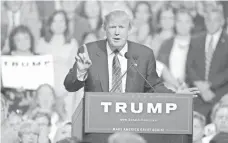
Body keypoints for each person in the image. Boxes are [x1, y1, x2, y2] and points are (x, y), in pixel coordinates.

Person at [64, 10, 198, 143]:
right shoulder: (89, 51)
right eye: (112, 27)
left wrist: (176, 96)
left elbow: (153, 86)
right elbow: (69, 85)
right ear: (105, 28)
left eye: (121, 27)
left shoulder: (143, 54)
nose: (117, 32)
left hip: (132, 126)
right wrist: (80, 72)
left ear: (129, 29)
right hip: (96, 127)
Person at [186, 6, 228, 119]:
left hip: (220, 94)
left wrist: (209, 85)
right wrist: (201, 87)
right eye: (208, 19)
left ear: (222, 21)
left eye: (215, 20)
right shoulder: (195, 39)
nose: (211, 23)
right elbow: (189, 66)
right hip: (197, 93)